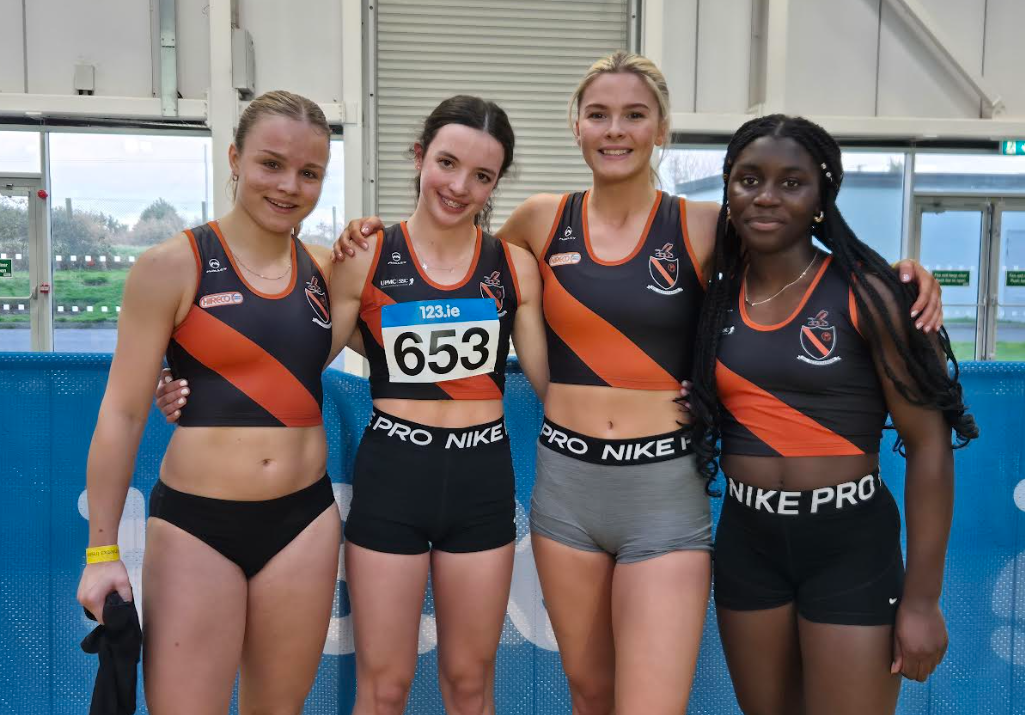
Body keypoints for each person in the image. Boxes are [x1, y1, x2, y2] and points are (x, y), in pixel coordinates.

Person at [324, 52, 945, 714]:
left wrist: (899, 274)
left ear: (662, 128)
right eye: (598, 114)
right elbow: (451, 268)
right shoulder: (538, 220)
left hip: (662, 488)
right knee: (590, 694)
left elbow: (793, 251)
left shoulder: (703, 225)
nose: (615, 129)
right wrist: (371, 235)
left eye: (634, 115)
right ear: (576, 125)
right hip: (567, 486)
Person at [160, 95, 548, 715]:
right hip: (394, 477)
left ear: (496, 183)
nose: (459, 187)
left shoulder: (513, 267)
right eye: (447, 163)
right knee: (384, 687)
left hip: (481, 481)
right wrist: (188, 382)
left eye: (482, 176)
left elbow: (555, 382)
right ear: (419, 157)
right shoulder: (365, 255)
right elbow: (292, 360)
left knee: (470, 684)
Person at [686, 114, 978, 715]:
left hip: (850, 544)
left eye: (792, 183)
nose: (766, 197)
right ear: (728, 189)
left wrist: (923, 601)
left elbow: (929, 445)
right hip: (748, 540)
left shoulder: (869, 293)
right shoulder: (713, 296)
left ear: (823, 197)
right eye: (748, 180)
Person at [76, 90, 344, 715]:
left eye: (309, 173)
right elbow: (121, 414)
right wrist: (101, 552)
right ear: (234, 158)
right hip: (198, 527)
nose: (289, 186)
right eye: (271, 164)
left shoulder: (331, 270)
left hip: (304, 523)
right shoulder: (170, 266)